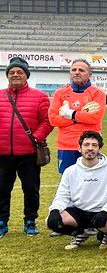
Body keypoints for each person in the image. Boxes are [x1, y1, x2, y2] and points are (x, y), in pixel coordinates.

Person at [1, 56, 53, 237]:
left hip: (29, 154)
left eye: (19, 72)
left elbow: (48, 121)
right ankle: (2, 221)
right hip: (2, 154)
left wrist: (36, 138)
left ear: (26, 76)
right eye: (12, 72)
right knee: (2, 189)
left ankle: (30, 220)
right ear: (7, 75)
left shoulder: (39, 97)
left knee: (31, 189)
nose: (15, 75)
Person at [46, 131, 107, 250]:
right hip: (79, 212)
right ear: (79, 148)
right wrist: (54, 210)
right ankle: (79, 233)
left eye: (94, 145)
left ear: (99, 149)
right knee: (50, 220)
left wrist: (105, 211)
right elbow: (62, 195)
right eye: (86, 144)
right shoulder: (70, 171)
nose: (90, 148)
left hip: (101, 212)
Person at [48, 59, 106, 173]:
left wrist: (70, 114)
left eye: (81, 70)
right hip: (66, 145)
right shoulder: (60, 93)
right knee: (67, 181)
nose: (77, 72)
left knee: (90, 180)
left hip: (90, 145)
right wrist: (80, 116)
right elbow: (53, 119)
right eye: (74, 70)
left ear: (89, 74)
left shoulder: (98, 93)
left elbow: (95, 117)